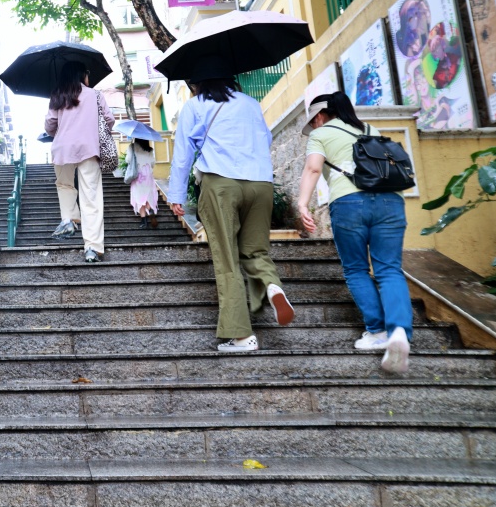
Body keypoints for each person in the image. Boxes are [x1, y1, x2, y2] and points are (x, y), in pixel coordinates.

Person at [167, 57, 294, 352]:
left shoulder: (195, 105)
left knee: (226, 259)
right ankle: (272, 286)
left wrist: (176, 196)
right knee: (255, 250)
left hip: (221, 183)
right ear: (230, 78)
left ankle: (241, 335)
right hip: (260, 183)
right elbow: (266, 137)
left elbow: (183, 154)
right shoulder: (250, 103)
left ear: (197, 82)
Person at [297, 92, 412, 373]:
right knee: (389, 269)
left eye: (312, 121)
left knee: (356, 269)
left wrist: (302, 204)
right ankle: (399, 331)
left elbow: (313, 168)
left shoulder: (322, 133)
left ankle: (376, 331)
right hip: (390, 201)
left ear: (320, 115)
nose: (313, 126)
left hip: (349, 204)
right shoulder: (372, 129)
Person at [45, 61, 114, 263]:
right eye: (87, 73)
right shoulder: (95, 94)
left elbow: (50, 125)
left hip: (63, 148)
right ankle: (92, 248)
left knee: (64, 184)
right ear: (82, 75)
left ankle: (68, 218)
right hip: (89, 148)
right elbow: (109, 120)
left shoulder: (57, 95)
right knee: (91, 196)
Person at [129, 138, 158, 228]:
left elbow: (128, 159)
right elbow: (153, 163)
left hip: (138, 175)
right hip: (148, 174)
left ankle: (144, 222)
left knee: (139, 197)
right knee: (148, 195)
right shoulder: (150, 149)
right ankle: (150, 211)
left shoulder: (132, 147)